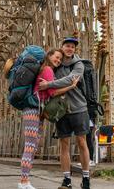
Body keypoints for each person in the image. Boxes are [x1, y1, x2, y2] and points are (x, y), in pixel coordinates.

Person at [18, 48, 80, 189]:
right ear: (49, 55)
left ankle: (25, 181)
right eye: (56, 57)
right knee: (30, 147)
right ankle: (23, 182)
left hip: (36, 111)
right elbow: (53, 92)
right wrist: (71, 86)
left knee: (32, 147)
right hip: (33, 110)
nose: (58, 60)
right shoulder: (47, 69)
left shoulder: (45, 69)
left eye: (59, 59)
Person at [38, 37, 91, 189]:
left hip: (79, 108)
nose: (70, 49)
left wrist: (49, 84)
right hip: (61, 111)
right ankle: (66, 180)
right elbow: (51, 89)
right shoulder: (56, 65)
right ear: (62, 47)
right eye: (67, 46)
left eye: (72, 47)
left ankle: (86, 178)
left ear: (75, 50)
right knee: (64, 145)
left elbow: (70, 80)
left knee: (82, 142)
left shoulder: (78, 64)